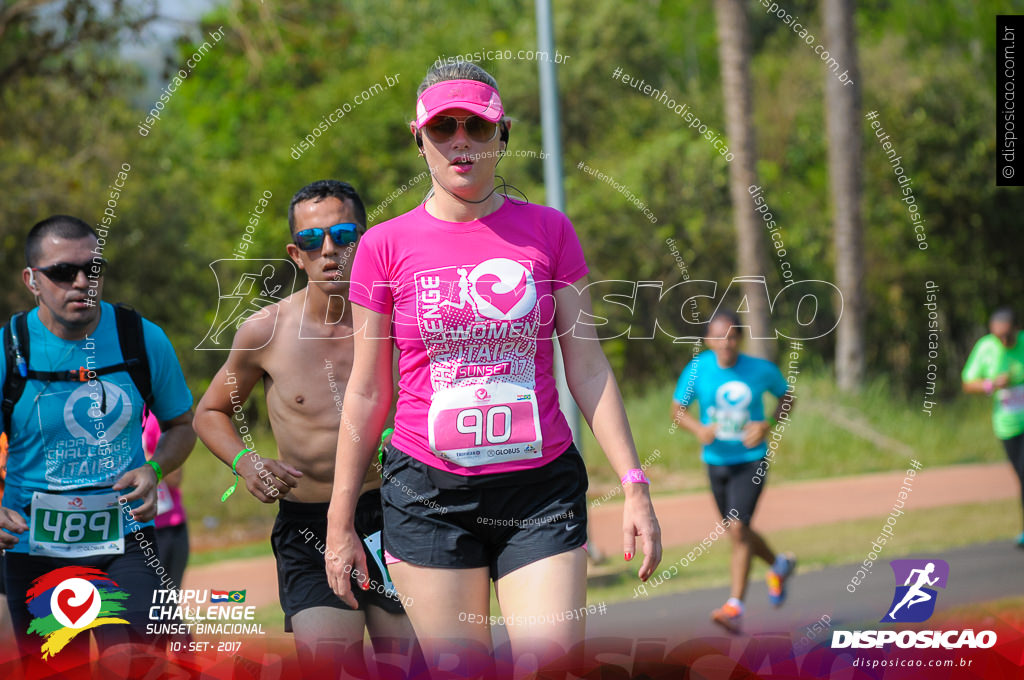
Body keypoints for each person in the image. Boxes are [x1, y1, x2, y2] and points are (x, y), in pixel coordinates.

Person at [324, 61, 662, 676]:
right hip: (427, 495)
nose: (460, 142)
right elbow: (368, 390)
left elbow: (586, 365)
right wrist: (340, 517)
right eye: (443, 127)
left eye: (477, 128)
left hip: (540, 491)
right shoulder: (383, 246)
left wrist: (634, 483)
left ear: (501, 135)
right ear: (417, 136)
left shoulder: (549, 231)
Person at [193, 180, 417, 676]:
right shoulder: (265, 331)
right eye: (314, 241)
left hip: (395, 515)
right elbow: (209, 412)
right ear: (296, 254)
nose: (330, 250)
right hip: (308, 525)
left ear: (365, 237)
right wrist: (245, 462)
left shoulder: (404, 321)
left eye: (343, 234)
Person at [0, 215, 195, 666]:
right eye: (63, 272)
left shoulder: (140, 338)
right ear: (32, 280)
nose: (82, 282)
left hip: (127, 541)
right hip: (35, 550)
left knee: (145, 664)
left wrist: (155, 468)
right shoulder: (10, 349)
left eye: (94, 269)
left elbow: (182, 425)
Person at [671, 311, 796, 634]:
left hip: (751, 459)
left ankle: (734, 607)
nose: (724, 343)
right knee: (735, 530)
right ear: (707, 341)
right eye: (717, 337)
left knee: (739, 529)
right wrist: (698, 429)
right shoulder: (698, 369)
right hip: (715, 461)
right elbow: (677, 410)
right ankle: (779, 565)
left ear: (739, 337)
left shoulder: (760, 369)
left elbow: (787, 398)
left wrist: (767, 424)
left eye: (730, 336)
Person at [962, 307, 1024, 548]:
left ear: (1016, 330)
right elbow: (968, 383)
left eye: (1006, 335)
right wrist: (991, 385)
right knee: (1021, 475)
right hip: (1007, 425)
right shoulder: (986, 348)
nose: (1002, 340)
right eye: (997, 336)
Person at [142, 410, 189, 589]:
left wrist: (148, 465)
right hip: (129, 531)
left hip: (169, 525)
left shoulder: (155, 419)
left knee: (168, 605)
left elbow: (175, 478)